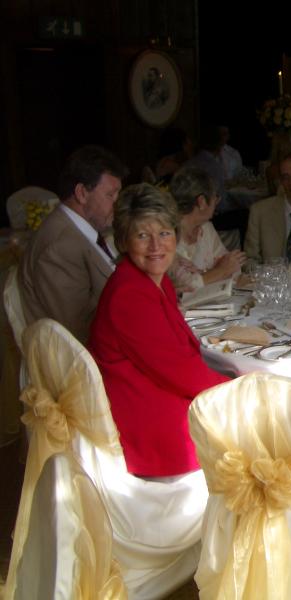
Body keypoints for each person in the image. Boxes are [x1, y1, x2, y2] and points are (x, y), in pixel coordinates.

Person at [89, 183, 229, 478]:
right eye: (142, 235)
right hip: (148, 423)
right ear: (124, 241)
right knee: (260, 423)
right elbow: (180, 371)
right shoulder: (129, 295)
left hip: (157, 393)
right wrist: (239, 389)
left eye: (164, 233)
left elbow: (177, 356)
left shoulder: (155, 279)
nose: (156, 246)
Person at [19, 145, 128, 344]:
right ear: (81, 193)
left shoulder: (82, 230)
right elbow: (80, 331)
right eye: (110, 195)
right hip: (89, 356)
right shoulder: (59, 246)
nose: (117, 204)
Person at [167, 167, 246, 293]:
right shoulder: (166, 235)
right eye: (216, 197)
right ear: (202, 202)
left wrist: (214, 272)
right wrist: (219, 271)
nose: (217, 203)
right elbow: (183, 286)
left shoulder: (206, 228)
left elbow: (233, 267)